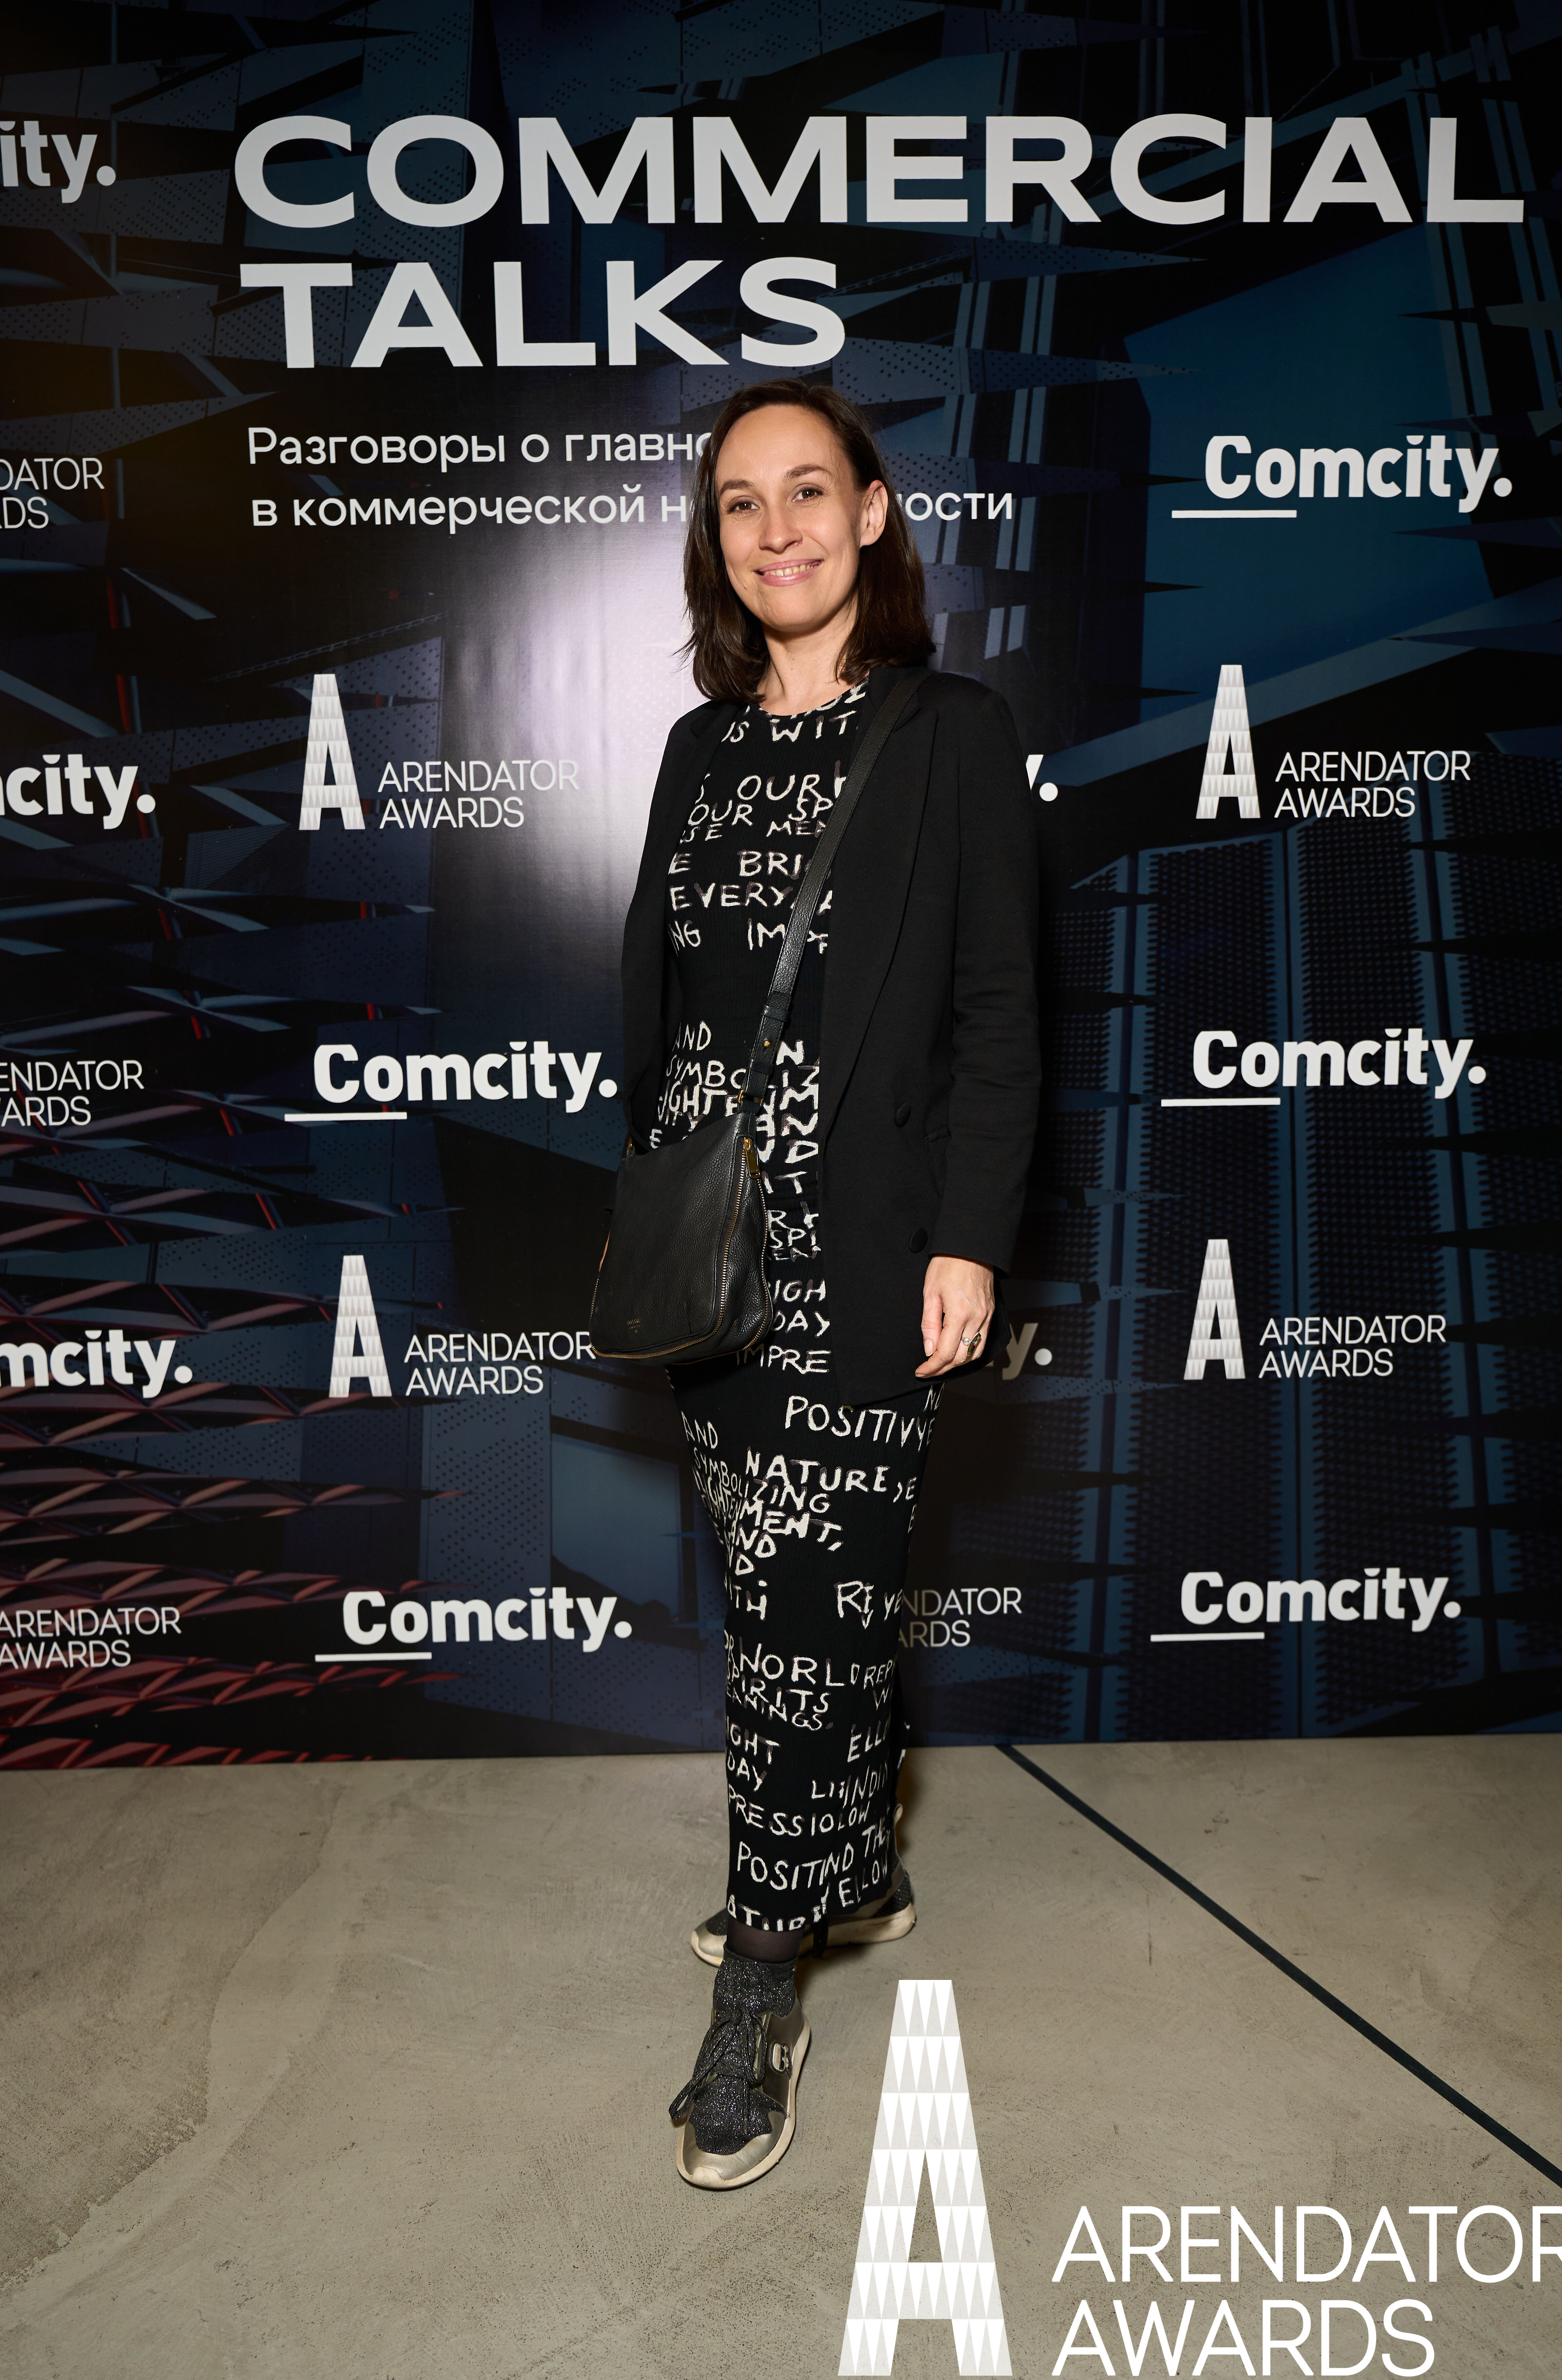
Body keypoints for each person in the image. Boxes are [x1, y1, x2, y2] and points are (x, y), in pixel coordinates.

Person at [618, 379, 1039, 2189]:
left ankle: (759, 1985)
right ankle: (851, 1868)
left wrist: (970, 1239)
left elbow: (1001, 1014)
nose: (776, 527)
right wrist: (655, 1202)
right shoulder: (698, 747)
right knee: (784, 1598)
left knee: (809, 1617)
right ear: (716, 540)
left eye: (809, 491)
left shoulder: (953, 735)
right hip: (719, 1260)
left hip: (873, 1256)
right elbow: (655, 1002)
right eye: (740, 501)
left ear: (872, 513)